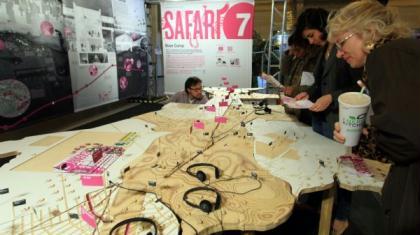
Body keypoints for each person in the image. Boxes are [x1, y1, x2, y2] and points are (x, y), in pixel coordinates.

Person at [328, 1, 420, 234]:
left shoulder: (387, 55)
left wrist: (364, 132)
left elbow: (405, 141)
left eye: (341, 43)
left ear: (367, 31)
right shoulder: (403, 53)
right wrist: (364, 134)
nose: (339, 54)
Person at [294, 8, 361, 139]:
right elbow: (320, 82)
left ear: (322, 27)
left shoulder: (346, 50)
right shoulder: (323, 50)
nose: (311, 42)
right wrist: (309, 93)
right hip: (319, 116)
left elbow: (359, 87)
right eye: (308, 38)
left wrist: (332, 97)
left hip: (338, 119)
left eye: (311, 35)